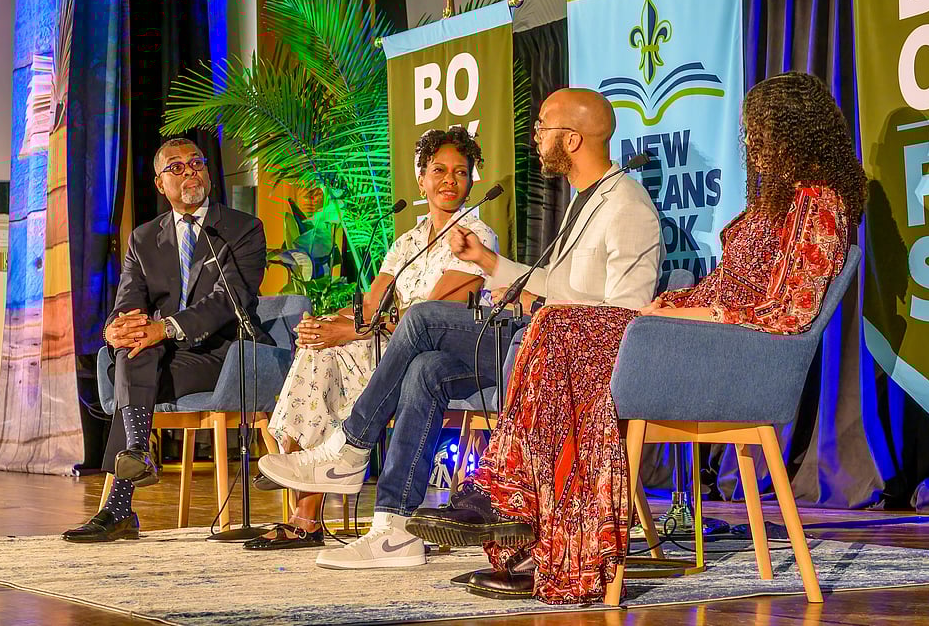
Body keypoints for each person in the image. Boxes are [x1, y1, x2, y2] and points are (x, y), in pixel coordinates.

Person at [406, 71, 868, 603]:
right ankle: (525, 521)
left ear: (794, 131)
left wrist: (703, 314)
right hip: (705, 341)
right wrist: (672, 305)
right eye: (748, 132)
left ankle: (515, 505)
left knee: (560, 326)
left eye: (759, 131)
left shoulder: (818, 204)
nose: (750, 143)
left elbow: (789, 308)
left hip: (742, 362)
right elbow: (724, 285)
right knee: (556, 325)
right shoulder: (777, 202)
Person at [259, 87, 663, 570]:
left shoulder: (626, 207)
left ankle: (349, 448)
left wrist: (539, 305)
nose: (535, 137)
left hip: (570, 355)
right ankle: (393, 529)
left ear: (572, 139)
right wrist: (488, 261)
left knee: (425, 318)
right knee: (425, 369)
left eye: (542, 127)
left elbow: (623, 315)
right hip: (534, 337)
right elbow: (558, 285)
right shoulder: (586, 200)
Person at [248, 128, 497, 550]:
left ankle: (325, 471)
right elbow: (375, 304)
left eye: (460, 171)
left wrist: (351, 329)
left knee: (337, 352)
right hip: (385, 344)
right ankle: (306, 475)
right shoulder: (408, 242)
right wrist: (329, 323)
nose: (449, 180)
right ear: (421, 180)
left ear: (472, 181)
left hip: (438, 351)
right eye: (439, 171)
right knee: (319, 350)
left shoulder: (476, 237)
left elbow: (430, 317)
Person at [63, 137, 269, 543]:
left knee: (138, 355)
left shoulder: (241, 230)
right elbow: (128, 303)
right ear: (160, 184)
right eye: (176, 167)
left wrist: (164, 328)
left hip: (226, 353)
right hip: (165, 355)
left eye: (196, 163)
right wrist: (114, 329)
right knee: (133, 345)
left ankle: (120, 504)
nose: (189, 171)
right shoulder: (143, 239)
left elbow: (230, 300)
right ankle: (138, 453)